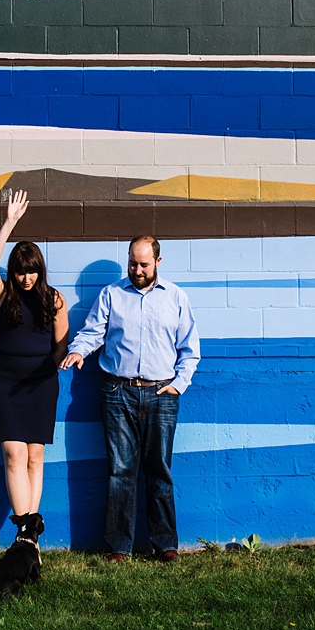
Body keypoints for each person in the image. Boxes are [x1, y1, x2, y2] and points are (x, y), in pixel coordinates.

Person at [59, 234, 199, 563]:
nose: (137, 270)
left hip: (162, 393)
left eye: (144, 264)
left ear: (158, 263)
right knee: (120, 471)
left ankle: (165, 544)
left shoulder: (176, 297)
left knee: (159, 470)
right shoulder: (111, 295)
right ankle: (118, 547)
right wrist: (78, 350)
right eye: (132, 263)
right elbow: (94, 331)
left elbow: (190, 349)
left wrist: (179, 384)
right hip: (117, 392)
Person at [0, 190, 69, 541]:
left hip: (40, 384)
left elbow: (61, 346)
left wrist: (45, 369)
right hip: (3, 382)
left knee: (35, 458)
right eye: (20, 271)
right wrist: (10, 221)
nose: (26, 278)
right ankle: (25, 529)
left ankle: (29, 537)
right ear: (13, 273)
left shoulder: (55, 300)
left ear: (40, 270)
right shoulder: (4, 297)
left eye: (32, 271)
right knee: (13, 454)